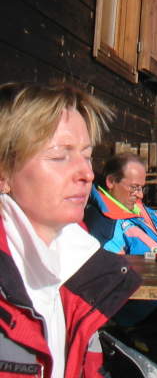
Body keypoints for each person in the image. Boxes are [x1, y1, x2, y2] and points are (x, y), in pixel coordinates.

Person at [0, 82, 140, 377]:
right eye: (59, 156)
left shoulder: (80, 268)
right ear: (4, 172)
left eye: (87, 155)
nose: (87, 173)